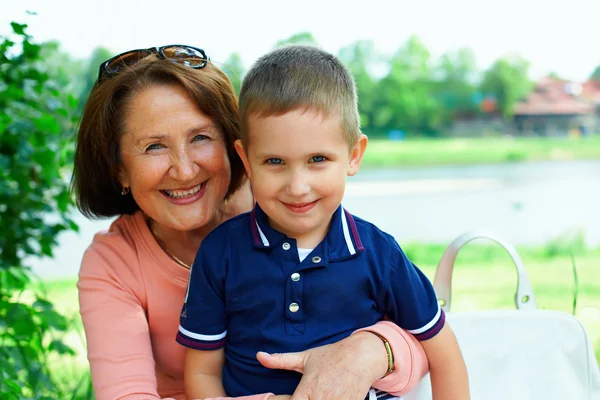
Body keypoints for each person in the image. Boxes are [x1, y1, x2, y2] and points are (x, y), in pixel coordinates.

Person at [72, 44, 430, 400]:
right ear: (119, 168)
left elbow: (427, 339)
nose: (183, 170)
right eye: (154, 147)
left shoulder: (290, 205)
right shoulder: (114, 262)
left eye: (200, 138)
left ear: (233, 145)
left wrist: (370, 351)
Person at [177, 45, 470, 400]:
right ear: (246, 159)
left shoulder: (380, 255)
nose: (298, 187)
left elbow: (444, 355)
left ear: (353, 155)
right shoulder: (220, 254)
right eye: (274, 161)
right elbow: (202, 372)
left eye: (317, 159)